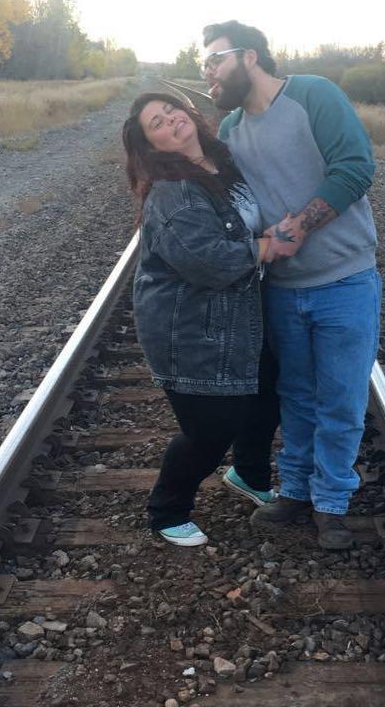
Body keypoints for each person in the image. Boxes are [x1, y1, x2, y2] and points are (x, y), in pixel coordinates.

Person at [203, 21, 380, 551]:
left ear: (249, 56)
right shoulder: (231, 128)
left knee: (342, 399)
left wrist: (299, 226)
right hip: (281, 288)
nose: (208, 71)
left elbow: (356, 167)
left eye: (214, 60)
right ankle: (298, 490)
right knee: (296, 395)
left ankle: (332, 502)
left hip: (345, 278)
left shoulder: (313, 95)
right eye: (203, 65)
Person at [121, 92, 283, 546]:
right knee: (211, 427)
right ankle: (166, 509)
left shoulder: (222, 163)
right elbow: (208, 263)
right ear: (150, 145)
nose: (169, 120)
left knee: (266, 393)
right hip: (193, 328)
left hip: (240, 318)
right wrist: (266, 247)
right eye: (156, 122)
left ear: (189, 113)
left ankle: (249, 474)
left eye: (171, 110)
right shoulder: (174, 190)